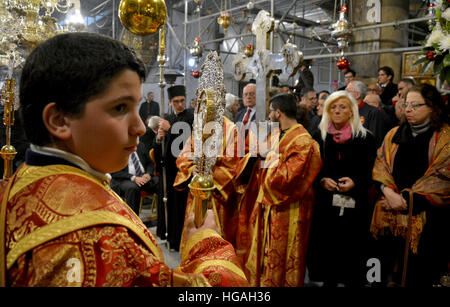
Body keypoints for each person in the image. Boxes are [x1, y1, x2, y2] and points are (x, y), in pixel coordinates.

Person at [0, 32, 248, 287]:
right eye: (120, 108)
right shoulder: (97, 237)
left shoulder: (24, 181)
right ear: (59, 120)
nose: (140, 127)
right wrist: (206, 244)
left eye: (136, 107)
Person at [236, 93, 322, 287]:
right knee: (266, 257)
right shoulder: (279, 134)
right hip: (270, 207)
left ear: (279, 112)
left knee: (286, 258)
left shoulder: (302, 141)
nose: (269, 115)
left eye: (271, 112)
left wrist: (267, 157)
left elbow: (286, 179)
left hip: (289, 209)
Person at [369, 83, 449, 287]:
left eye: (416, 105)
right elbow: (381, 166)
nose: (409, 110)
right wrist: (387, 193)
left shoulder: (445, 138)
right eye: (406, 105)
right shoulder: (393, 134)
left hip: (427, 219)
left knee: (418, 275)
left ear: (432, 107)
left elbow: (442, 179)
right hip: (389, 213)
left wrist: (405, 200)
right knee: (382, 271)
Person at [306, 90, 377, 287]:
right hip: (326, 204)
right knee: (327, 250)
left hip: (355, 203)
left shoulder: (366, 138)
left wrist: (356, 181)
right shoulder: (318, 136)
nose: (337, 111)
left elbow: (372, 170)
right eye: (333, 107)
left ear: (352, 112)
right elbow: (311, 168)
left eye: (342, 107)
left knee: (352, 249)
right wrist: (321, 180)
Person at [153, 84, 194, 251]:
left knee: (180, 207)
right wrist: (159, 139)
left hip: (182, 170)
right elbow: (159, 150)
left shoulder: (191, 117)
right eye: (176, 101)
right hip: (168, 170)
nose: (180, 104)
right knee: (167, 203)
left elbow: (185, 144)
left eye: (182, 101)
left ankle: (179, 240)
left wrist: (171, 131)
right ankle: (167, 234)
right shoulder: (167, 118)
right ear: (170, 102)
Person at [110, 141, 159, 216]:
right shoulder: (117, 147)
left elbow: (150, 163)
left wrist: (148, 174)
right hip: (125, 179)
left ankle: (164, 218)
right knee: (132, 188)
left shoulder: (140, 145)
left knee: (159, 182)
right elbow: (114, 171)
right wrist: (133, 178)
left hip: (143, 177)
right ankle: (134, 220)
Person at [346, 80, 390, 147]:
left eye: (348, 91)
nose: (344, 94)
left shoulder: (373, 112)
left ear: (357, 95)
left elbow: (375, 139)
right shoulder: (345, 111)